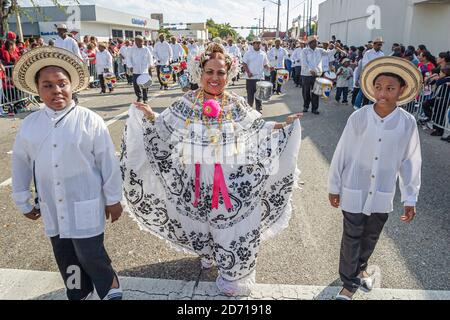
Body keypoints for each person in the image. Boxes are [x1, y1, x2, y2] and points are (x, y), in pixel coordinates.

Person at [120, 43, 302, 296]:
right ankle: (208, 252)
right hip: (194, 180)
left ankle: (231, 273)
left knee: (229, 225)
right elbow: (163, 128)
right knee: (201, 223)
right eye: (209, 72)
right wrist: (149, 116)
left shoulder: (237, 104)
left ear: (229, 74)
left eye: (221, 72)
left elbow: (258, 130)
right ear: (200, 72)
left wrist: (283, 126)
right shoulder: (186, 102)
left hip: (230, 181)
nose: (215, 78)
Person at [11, 47, 123, 300]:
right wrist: (23, 201)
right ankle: (79, 291)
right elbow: (20, 163)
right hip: (52, 203)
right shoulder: (30, 124)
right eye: (47, 85)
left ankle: (109, 285)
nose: (56, 91)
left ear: (72, 85)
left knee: (90, 252)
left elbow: (108, 161)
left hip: (86, 199)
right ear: (37, 90)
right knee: (65, 254)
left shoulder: (90, 120)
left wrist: (114, 199)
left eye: (62, 83)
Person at [328, 56, 422, 300]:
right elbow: (343, 153)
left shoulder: (407, 123)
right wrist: (334, 185)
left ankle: (360, 268)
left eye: (390, 88)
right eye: (379, 87)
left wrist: (410, 198)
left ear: (401, 91)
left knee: (370, 237)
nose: (383, 93)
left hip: (381, 193)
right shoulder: (359, 118)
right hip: (354, 188)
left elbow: (411, 161)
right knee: (351, 236)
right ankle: (348, 284)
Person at [242, 39, 270, 112]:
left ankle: (258, 110)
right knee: (250, 96)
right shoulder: (248, 53)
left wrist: (269, 67)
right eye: (257, 43)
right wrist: (248, 72)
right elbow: (244, 63)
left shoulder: (263, 53)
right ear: (253, 44)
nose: (258, 44)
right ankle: (249, 111)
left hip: (260, 78)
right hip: (250, 78)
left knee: (259, 96)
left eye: (259, 43)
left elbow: (265, 64)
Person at [300, 36, 323, 114]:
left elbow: (329, 53)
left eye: (316, 42)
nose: (316, 43)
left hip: (316, 74)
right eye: (314, 42)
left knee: (316, 91)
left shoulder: (319, 50)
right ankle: (306, 106)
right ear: (310, 43)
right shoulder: (304, 51)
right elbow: (304, 62)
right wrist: (310, 70)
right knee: (306, 91)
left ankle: (315, 108)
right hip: (306, 74)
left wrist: (336, 49)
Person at [128, 35, 154, 103]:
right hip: (135, 70)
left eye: (139, 41)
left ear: (142, 41)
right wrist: (130, 66)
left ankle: (145, 98)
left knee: (145, 84)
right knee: (136, 84)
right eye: (136, 41)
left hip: (144, 70)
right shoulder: (132, 49)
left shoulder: (146, 49)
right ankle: (139, 97)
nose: (137, 42)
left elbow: (150, 58)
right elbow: (129, 58)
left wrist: (151, 65)